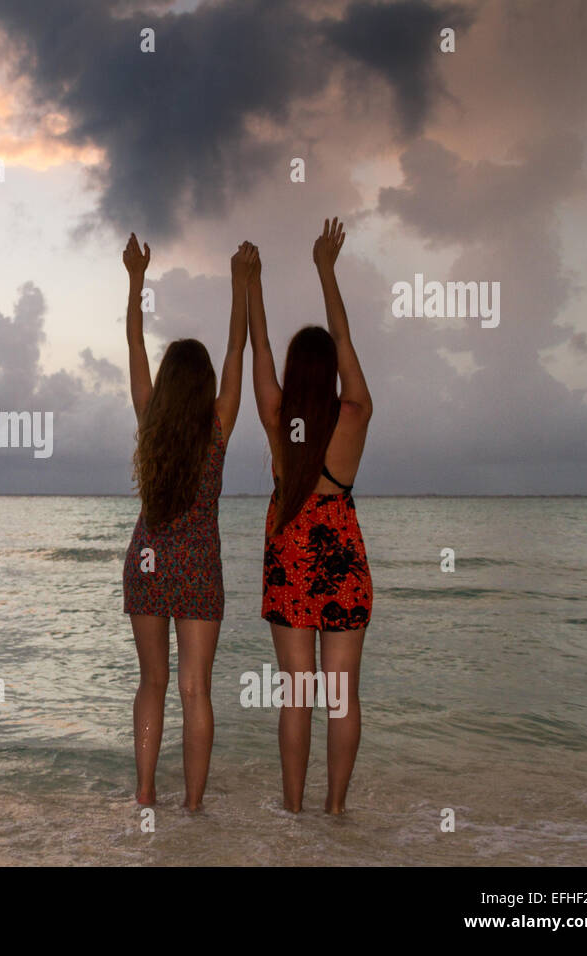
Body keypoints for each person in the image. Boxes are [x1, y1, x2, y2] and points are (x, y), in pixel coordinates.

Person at [121, 232, 252, 810]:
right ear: (204, 388)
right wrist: (241, 284)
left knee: (152, 682)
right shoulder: (218, 427)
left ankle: (146, 794)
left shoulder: (150, 417)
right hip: (198, 568)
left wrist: (135, 280)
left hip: (147, 563)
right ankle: (194, 806)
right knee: (195, 690)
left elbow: (134, 343)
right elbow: (235, 352)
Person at [249, 218, 373, 814]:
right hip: (342, 558)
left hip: (290, 561)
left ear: (296, 374)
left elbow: (262, 349)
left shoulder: (278, 421)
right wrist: (327, 268)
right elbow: (344, 342)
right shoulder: (353, 417)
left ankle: (293, 813)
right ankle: (336, 813)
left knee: (296, 696)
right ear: (332, 373)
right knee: (342, 698)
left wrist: (249, 285)